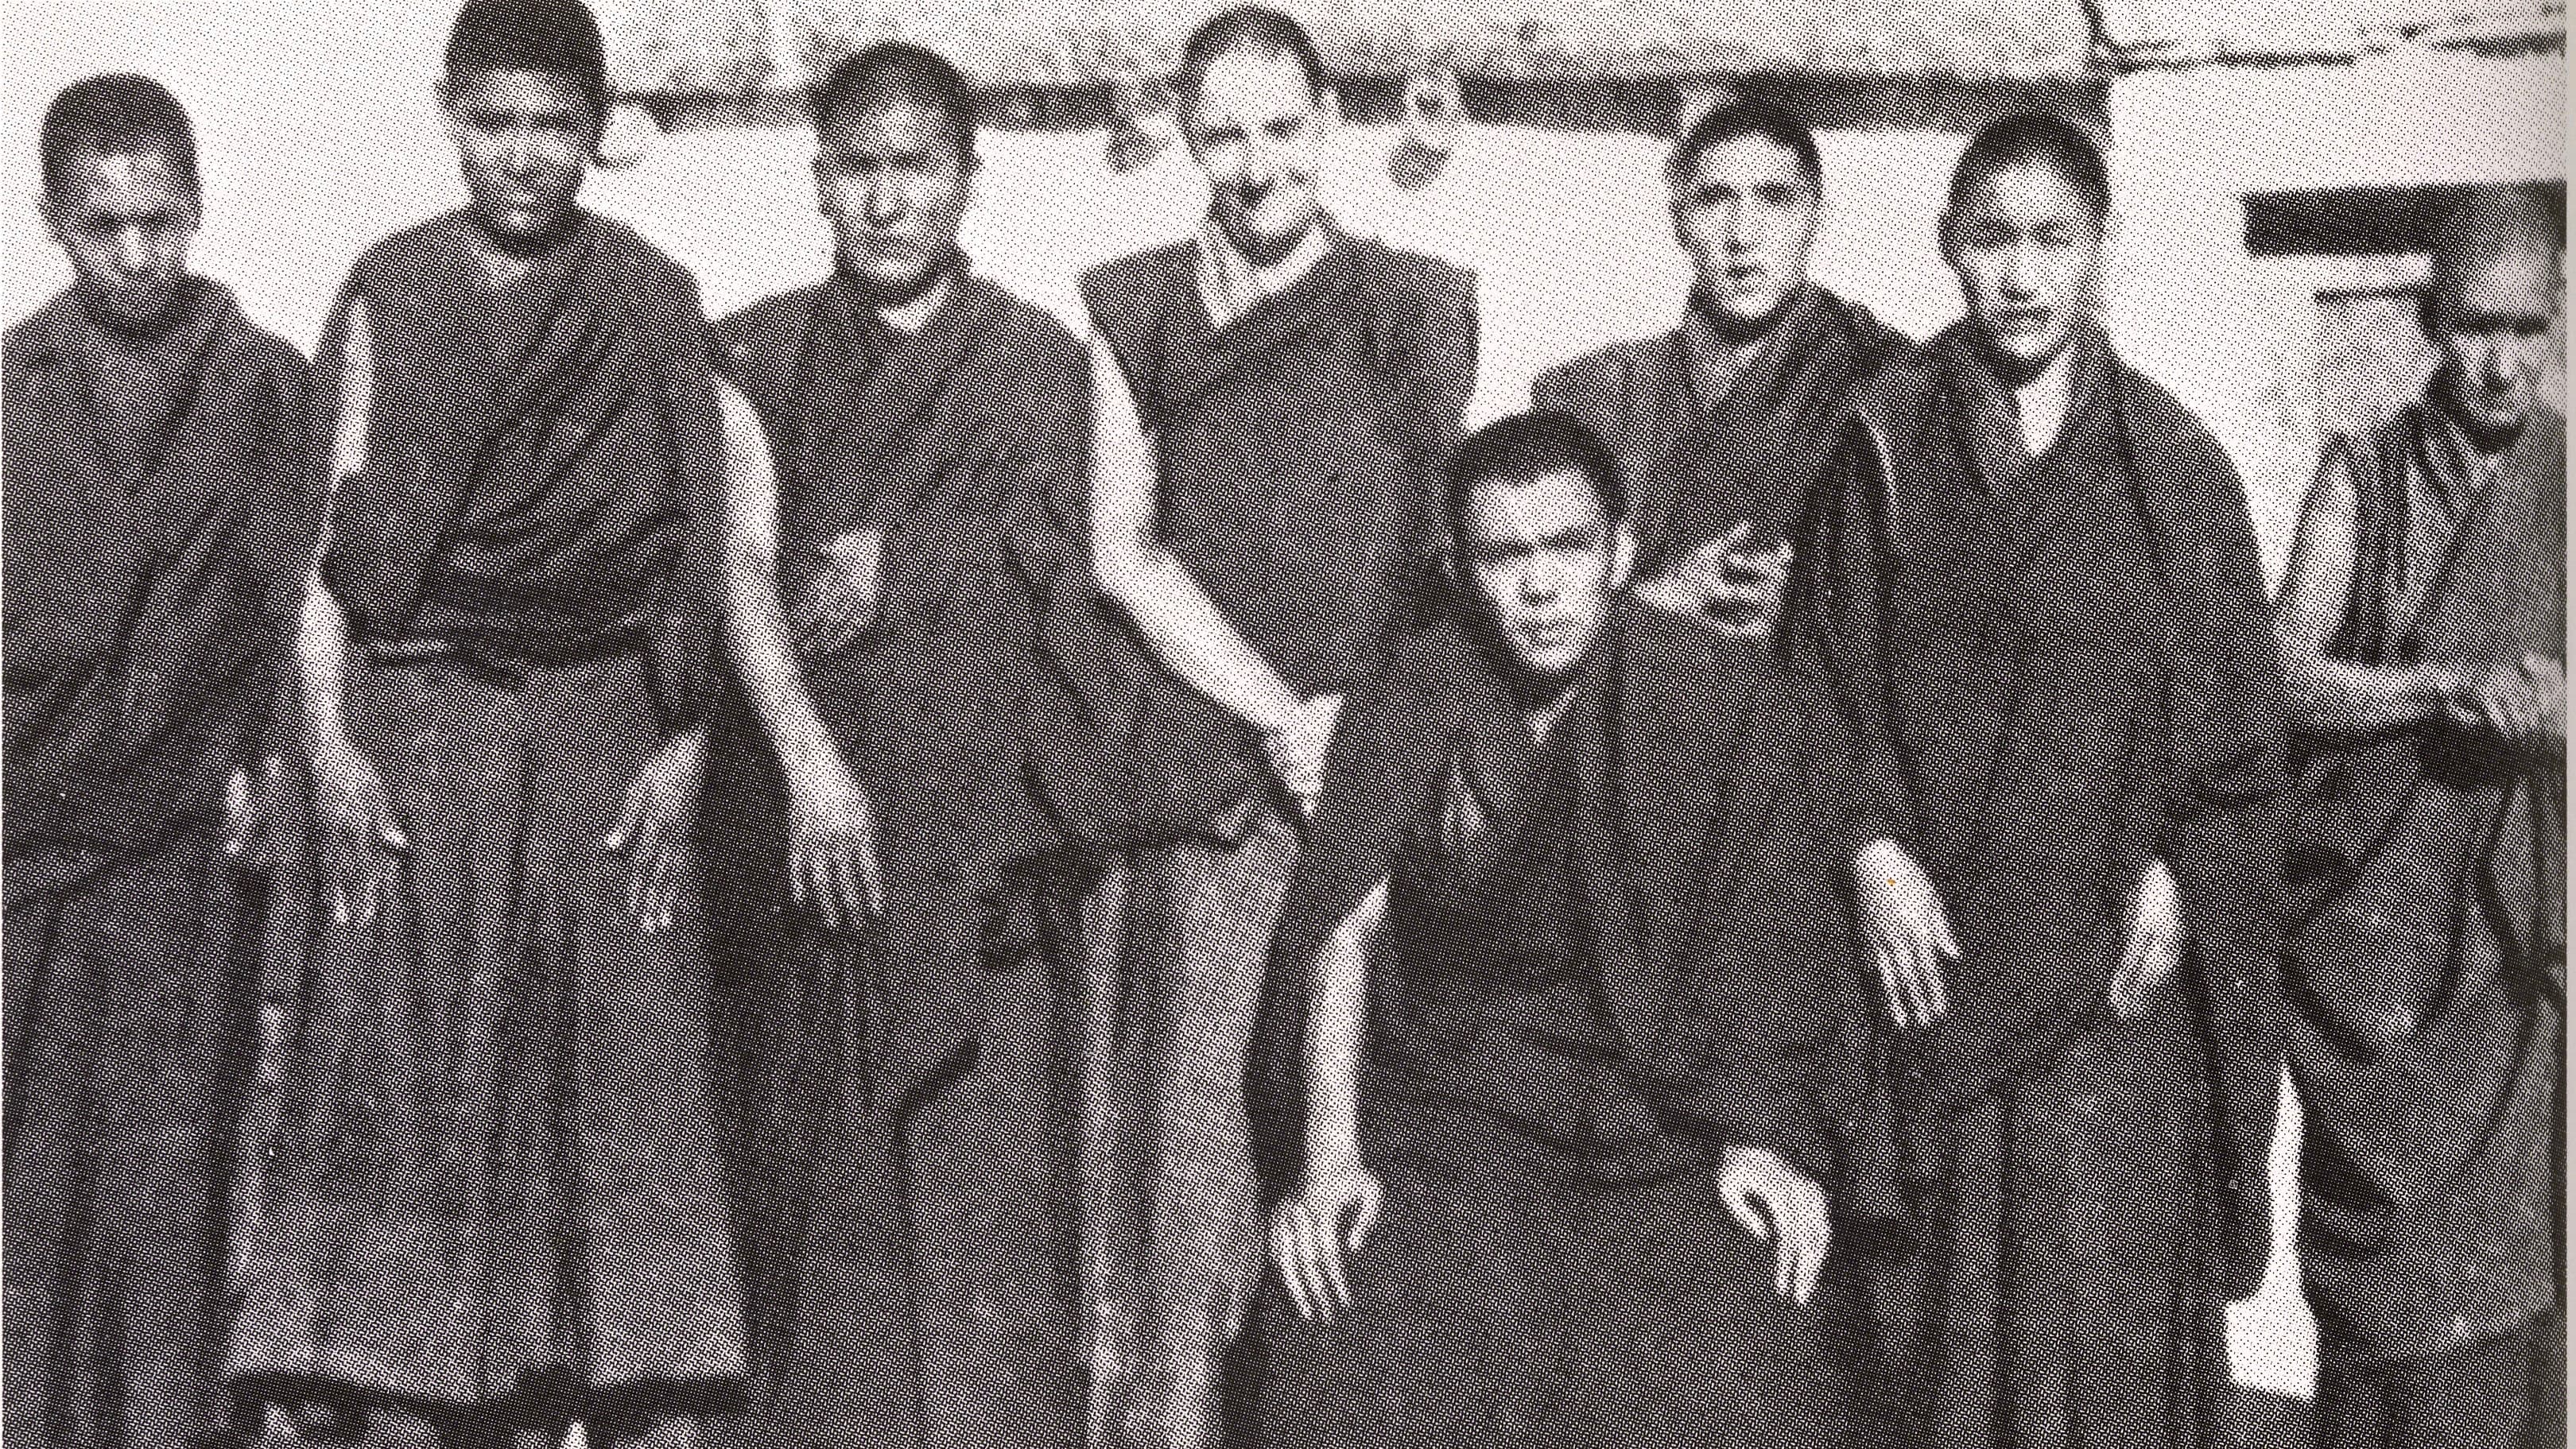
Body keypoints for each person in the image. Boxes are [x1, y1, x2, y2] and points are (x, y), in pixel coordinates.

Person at [223, 2, 743, 1443]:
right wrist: (328, 748)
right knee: (411, 1056)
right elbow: (330, 548)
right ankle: (401, 1403)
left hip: (599, 725)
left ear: (599, 128)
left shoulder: (648, 293)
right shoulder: (389, 288)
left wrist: (687, 745)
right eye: (497, 124)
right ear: (450, 112)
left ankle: (627, 1393)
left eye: (556, 127)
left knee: (611, 1069)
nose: (525, 158)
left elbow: (692, 555)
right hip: (421, 720)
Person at [1784, 114, 2288, 1449]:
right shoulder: (1880, 444)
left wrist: (2190, 867)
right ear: (1950, 248)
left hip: (2117, 1015)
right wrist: (1868, 846)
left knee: (2109, 1371)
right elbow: (1817, 684)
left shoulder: (2175, 472)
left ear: (2100, 250)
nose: (2021, 275)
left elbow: (2237, 738)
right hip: (1935, 985)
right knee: (1942, 1367)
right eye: (1992, 238)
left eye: (2052, 239)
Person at [1243, 412, 1855, 1449]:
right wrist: (1333, 1154)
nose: (1539, 586)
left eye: (1567, 547)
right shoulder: (1421, 684)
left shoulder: (1715, 689)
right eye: (1504, 555)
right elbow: (1341, 926)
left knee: (1745, 1325)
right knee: (1357, 1308)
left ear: (1620, 549)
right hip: (1456, 1102)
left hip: (1651, 1108)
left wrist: (1757, 1133)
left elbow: (1767, 927)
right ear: (1463, 567)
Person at [696, 41, 1115, 1449]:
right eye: (859, 168)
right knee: (818, 1244)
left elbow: (1080, 589)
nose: (887, 201)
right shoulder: (751, 351)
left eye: (915, 167)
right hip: (807, 875)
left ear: (967, 181)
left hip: (976, 879)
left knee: (983, 1244)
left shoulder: (1040, 363)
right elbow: (733, 570)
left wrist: (922, 561)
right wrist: (811, 758)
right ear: (820, 179)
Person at [1078, 9, 1477, 1447]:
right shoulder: (1134, 308)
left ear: (1330, 121)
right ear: (1187, 138)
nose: (1255, 166)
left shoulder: (1415, 306)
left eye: (1282, 128)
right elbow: (1124, 553)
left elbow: (1450, 553)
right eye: (1224, 133)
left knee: (1364, 1159)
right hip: (1205, 788)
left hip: (1370, 792)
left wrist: (1358, 735)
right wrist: (1281, 714)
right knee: (1193, 1196)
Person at [4, 73, 324, 1449]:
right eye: (103, 226)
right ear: (51, 221)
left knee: (173, 1174)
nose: (137, 256)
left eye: (161, 221)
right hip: (29, 840)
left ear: (198, 211)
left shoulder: (264, 383)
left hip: (193, 844)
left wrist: (269, 758)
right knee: (28, 1177)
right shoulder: (11, 389)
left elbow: (297, 597)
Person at [2273, 184, 2563, 1449]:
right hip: (2373, 964)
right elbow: (2279, 667)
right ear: (2429, 325)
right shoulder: (2364, 472)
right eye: (2473, 327)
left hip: (2503, 967)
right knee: (2381, 1304)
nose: (2499, 363)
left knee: (2501, 1300)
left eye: (2527, 329)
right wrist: (2443, 685)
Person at [1532, 99, 1903, 636]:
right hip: (1637, 707)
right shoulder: (1591, 397)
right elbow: (1523, 610)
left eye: (1774, 200)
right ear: (1679, 222)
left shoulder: (1888, 383)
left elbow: (1955, 617)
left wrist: (1812, 612)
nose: (1742, 235)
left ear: (1814, 217)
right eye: (1714, 200)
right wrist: (1657, 602)